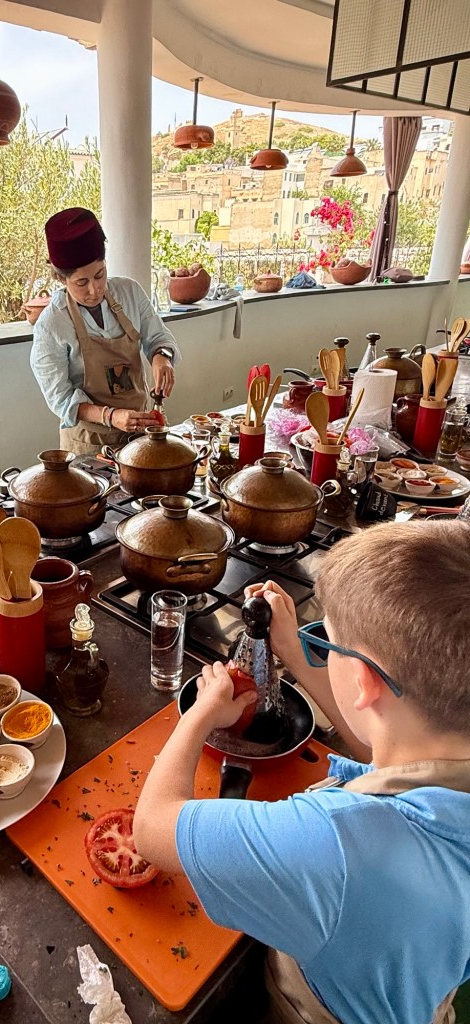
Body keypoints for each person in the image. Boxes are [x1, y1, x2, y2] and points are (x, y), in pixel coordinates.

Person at [134, 520, 470, 1024]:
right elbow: (380, 741)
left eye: (327, 643)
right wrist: (294, 649)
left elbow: (151, 828)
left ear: (364, 679)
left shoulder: (338, 843)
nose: (323, 651)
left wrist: (201, 712)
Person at [30, 207, 180, 455]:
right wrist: (110, 416)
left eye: (100, 275)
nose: (95, 289)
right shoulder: (52, 324)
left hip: (139, 435)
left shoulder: (130, 292)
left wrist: (162, 357)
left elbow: (158, 337)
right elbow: (61, 399)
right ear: (61, 278)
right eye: (82, 282)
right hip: (88, 444)